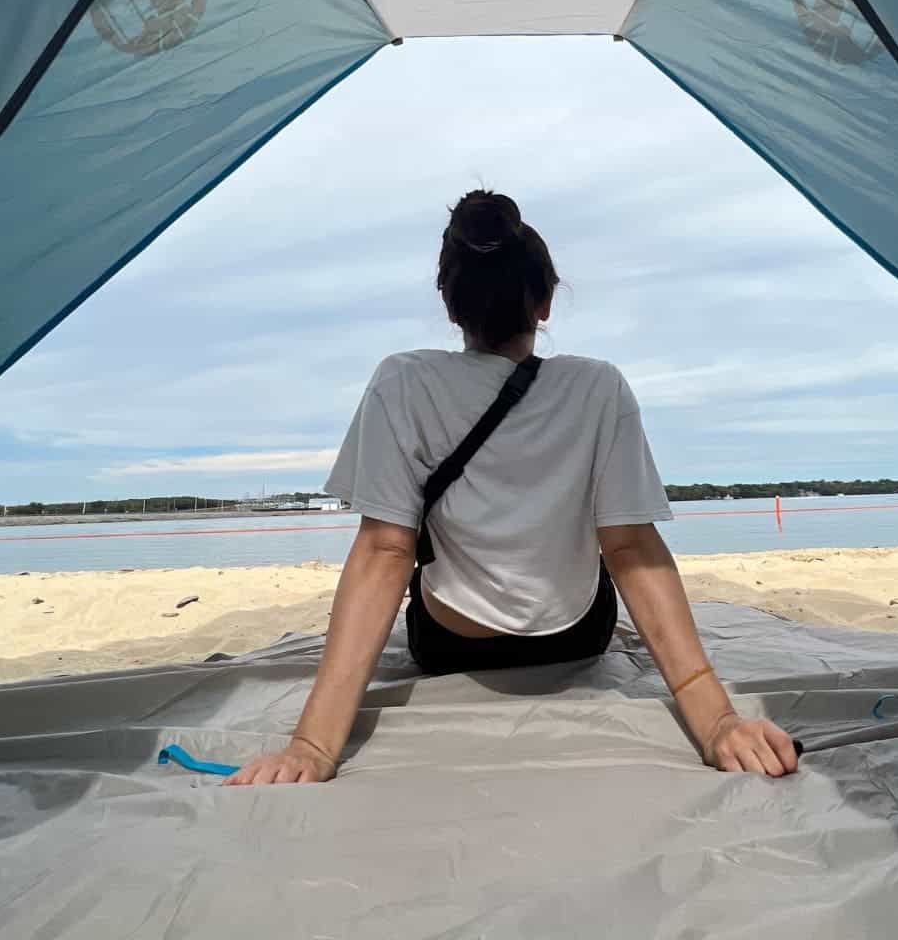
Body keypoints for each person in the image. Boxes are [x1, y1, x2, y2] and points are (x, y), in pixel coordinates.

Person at [226, 190, 798, 785]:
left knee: (421, 560)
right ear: (545, 302)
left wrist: (312, 747)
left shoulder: (402, 381)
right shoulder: (599, 388)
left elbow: (384, 551)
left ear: (451, 306)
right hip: (577, 638)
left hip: (450, 644)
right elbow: (631, 549)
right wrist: (717, 720)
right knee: (601, 554)